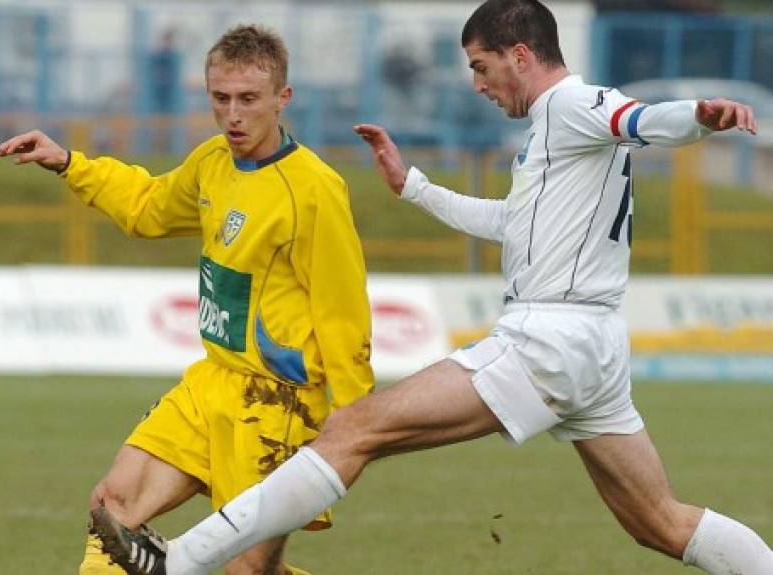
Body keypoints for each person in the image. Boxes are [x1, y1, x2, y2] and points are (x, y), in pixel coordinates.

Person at [91, 2, 773, 574]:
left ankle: (177, 561)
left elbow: (636, 120)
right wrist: (413, 186)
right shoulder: (553, 133)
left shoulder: (571, 104)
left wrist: (698, 116)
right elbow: (512, 223)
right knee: (660, 521)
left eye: (480, 67)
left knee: (352, 427)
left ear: (519, 55)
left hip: (548, 340)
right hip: (593, 347)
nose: (478, 84)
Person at [0, 24, 374, 575]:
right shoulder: (211, 163)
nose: (233, 114)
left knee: (246, 571)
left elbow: (343, 311)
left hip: (278, 408)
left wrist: (355, 418)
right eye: (221, 98)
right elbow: (149, 206)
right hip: (211, 385)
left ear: (282, 99)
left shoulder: (314, 190)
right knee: (113, 510)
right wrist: (71, 163)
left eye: (248, 99)